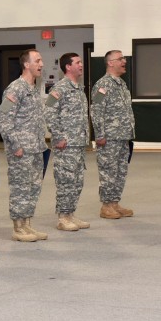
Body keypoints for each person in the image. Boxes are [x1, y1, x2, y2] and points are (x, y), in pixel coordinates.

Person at [0, 49, 49, 242]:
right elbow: (4, 119)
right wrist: (15, 144)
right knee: (20, 187)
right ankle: (18, 228)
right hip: (21, 149)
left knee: (33, 187)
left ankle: (27, 224)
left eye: (41, 60)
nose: (41, 64)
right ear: (26, 64)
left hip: (36, 147)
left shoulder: (33, 89)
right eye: (38, 60)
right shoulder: (15, 89)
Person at [45, 53, 91, 232]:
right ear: (68, 67)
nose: (81, 65)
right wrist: (58, 136)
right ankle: (63, 217)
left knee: (77, 180)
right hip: (66, 144)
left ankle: (71, 213)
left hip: (78, 143)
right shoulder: (59, 89)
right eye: (78, 62)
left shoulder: (78, 89)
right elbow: (49, 112)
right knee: (65, 179)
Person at [90, 50, 136, 220]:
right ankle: (106, 206)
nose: (124, 61)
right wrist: (100, 134)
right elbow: (96, 111)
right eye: (120, 59)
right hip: (109, 137)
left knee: (120, 171)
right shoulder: (103, 85)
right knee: (108, 172)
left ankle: (115, 203)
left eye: (124, 58)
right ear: (110, 63)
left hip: (123, 136)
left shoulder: (121, 84)